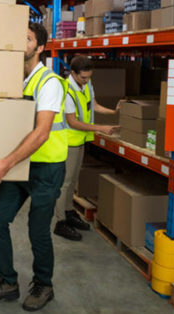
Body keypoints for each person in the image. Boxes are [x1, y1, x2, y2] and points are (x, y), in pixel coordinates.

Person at [0, 22, 68, 312]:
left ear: (39, 48)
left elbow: (41, 133)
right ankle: (7, 282)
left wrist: (6, 163)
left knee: (37, 230)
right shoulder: (18, 81)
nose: (20, 43)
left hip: (45, 168)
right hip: (20, 164)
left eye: (27, 39)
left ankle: (44, 285)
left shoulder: (49, 83)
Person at [53, 55, 120, 241]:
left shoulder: (87, 85)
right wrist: (101, 128)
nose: (87, 80)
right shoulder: (67, 92)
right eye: (83, 77)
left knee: (73, 181)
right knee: (64, 183)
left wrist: (114, 112)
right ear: (73, 73)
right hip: (68, 142)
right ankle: (60, 222)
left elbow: (94, 105)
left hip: (81, 140)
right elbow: (73, 121)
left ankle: (69, 212)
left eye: (89, 77)